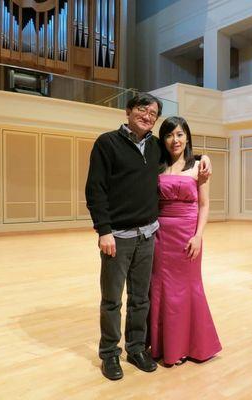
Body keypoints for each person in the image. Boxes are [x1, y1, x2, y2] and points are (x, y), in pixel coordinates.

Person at [85, 93, 211, 381]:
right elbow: (95, 190)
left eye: (153, 113)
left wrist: (206, 158)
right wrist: (104, 230)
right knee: (112, 300)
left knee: (142, 298)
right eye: (142, 109)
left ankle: (136, 347)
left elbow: (181, 150)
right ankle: (109, 354)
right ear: (128, 111)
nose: (147, 116)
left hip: (150, 235)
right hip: (117, 235)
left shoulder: (155, 147)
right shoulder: (107, 143)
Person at [149, 116, 222, 366]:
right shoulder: (157, 166)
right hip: (160, 236)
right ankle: (166, 346)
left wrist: (199, 235)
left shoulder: (199, 165)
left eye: (179, 134)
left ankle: (188, 345)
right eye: (169, 135)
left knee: (188, 288)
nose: (175, 140)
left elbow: (204, 204)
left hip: (188, 236)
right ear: (163, 139)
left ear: (187, 137)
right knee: (161, 288)